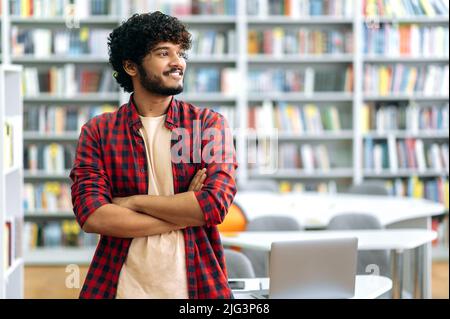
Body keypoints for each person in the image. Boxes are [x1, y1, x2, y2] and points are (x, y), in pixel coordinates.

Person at [69, 11, 238, 299]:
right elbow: (93, 216)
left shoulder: (208, 125)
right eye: (164, 53)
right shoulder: (98, 132)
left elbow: (213, 206)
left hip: (196, 288)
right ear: (131, 66)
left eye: (180, 52)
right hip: (119, 287)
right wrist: (185, 213)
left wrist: (133, 202)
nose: (178, 62)